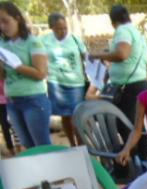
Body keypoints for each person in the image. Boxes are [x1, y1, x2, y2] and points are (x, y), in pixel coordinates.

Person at [90, 5, 147, 145]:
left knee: (127, 125)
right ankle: (139, 156)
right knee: (135, 123)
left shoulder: (122, 30)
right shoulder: (135, 32)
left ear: (113, 22)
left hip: (128, 87)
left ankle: (134, 156)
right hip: (136, 83)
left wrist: (97, 55)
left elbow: (122, 54)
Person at [0, 1, 51, 149]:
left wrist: (16, 65)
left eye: (5, 21)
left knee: (42, 146)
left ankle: (53, 172)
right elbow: (2, 76)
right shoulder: (2, 44)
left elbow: (41, 73)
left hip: (33, 100)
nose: (3, 26)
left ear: (18, 18)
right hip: (12, 101)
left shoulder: (33, 42)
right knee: (27, 146)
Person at [43, 12, 87, 147]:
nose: (62, 31)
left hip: (76, 83)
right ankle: (72, 143)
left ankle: (81, 145)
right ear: (52, 28)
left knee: (77, 116)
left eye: (64, 28)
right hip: (57, 84)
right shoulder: (45, 41)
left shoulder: (74, 39)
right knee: (65, 116)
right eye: (59, 29)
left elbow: (85, 56)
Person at [0, 78, 13, 154]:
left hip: (9, 99)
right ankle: (11, 147)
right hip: (8, 100)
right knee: (6, 124)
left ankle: (11, 147)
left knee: (6, 124)